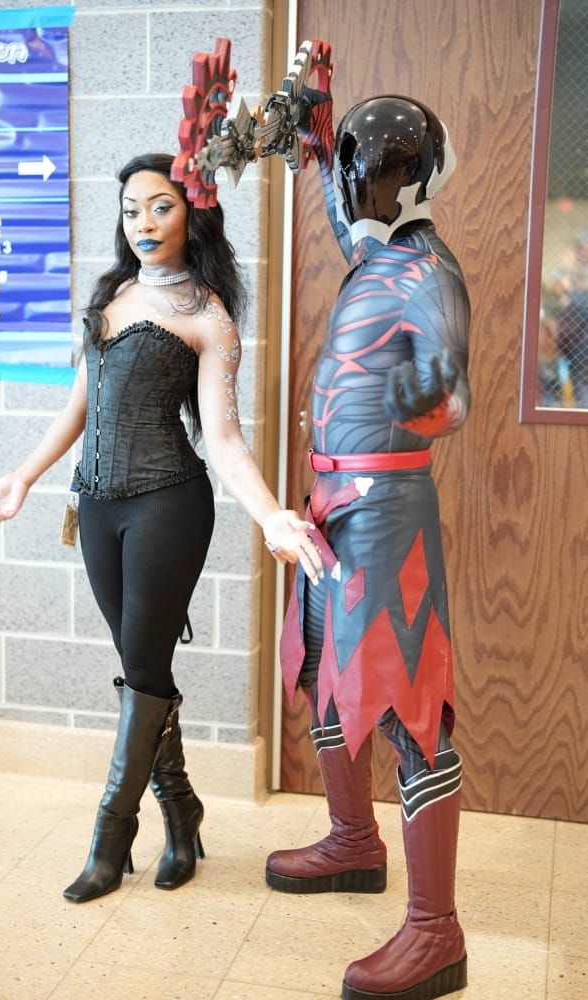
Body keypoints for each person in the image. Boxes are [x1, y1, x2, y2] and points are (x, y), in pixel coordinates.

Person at [0, 152, 322, 904]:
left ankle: (111, 838)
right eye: (132, 209)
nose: (143, 222)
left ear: (192, 212)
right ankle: (183, 810)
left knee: (140, 669)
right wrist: (24, 476)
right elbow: (80, 403)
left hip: (168, 504)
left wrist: (270, 513)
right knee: (148, 672)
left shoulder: (208, 316)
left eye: (161, 206)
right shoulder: (113, 293)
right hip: (97, 507)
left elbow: (223, 439)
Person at [265, 94, 471, 1000]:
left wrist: (422, 395)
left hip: (386, 511)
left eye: (370, 170)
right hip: (332, 506)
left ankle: (436, 929)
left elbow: (451, 399)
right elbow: (345, 217)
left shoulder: (429, 270)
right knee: (322, 670)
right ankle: (353, 841)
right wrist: (316, 146)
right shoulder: (379, 253)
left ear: (413, 180)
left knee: (410, 708)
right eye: (355, 170)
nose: (357, 188)